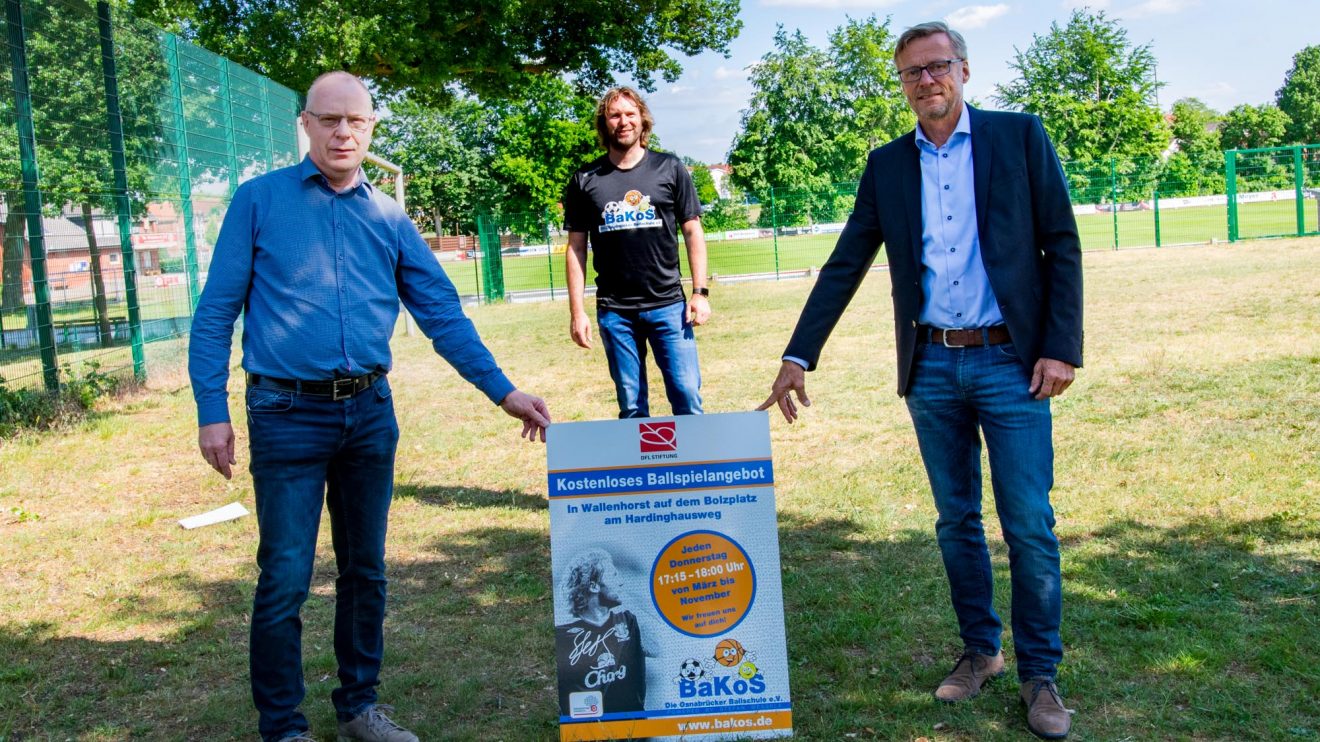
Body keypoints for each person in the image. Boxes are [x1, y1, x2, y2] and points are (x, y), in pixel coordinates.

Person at [188, 71, 551, 742]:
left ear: (372, 130)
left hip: (368, 416)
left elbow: (440, 310)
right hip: (284, 414)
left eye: (355, 121)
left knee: (365, 569)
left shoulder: (388, 216)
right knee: (286, 577)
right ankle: (283, 728)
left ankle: (358, 707)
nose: (342, 132)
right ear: (306, 124)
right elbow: (215, 313)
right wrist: (212, 409)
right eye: (329, 120)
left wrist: (504, 391)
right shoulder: (258, 201)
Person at [758, 21, 1082, 740]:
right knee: (956, 519)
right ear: (902, 85)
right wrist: (797, 356)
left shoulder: (1019, 136)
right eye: (912, 73)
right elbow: (846, 262)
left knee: (1028, 521)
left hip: (1011, 362)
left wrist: (1060, 348)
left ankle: (1041, 674)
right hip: (930, 365)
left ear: (964, 71)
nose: (927, 81)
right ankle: (982, 650)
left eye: (938, 67)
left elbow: (1061, 242)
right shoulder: (887, 165)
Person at [563, 86, 710, 419]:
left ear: (643, 121)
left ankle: (692, 469)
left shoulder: (670, 169)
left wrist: (700, 293)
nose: (623, 121)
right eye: (614, 115)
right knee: (631, 407)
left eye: (630, 114)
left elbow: (692, 231)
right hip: (616, 313)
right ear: (604, 124)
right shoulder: (585, 180)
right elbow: (575, 248)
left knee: (687, 397)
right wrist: (577, 311)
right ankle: (644, 473)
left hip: (670, 307)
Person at [555, 549, 649, 716]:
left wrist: (633, 601)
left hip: (634, 731)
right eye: (613, 575)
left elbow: (662, 649)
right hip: (588, 731)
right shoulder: (563, 635)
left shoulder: (628, 621)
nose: (621, 582)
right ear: (594, 586)